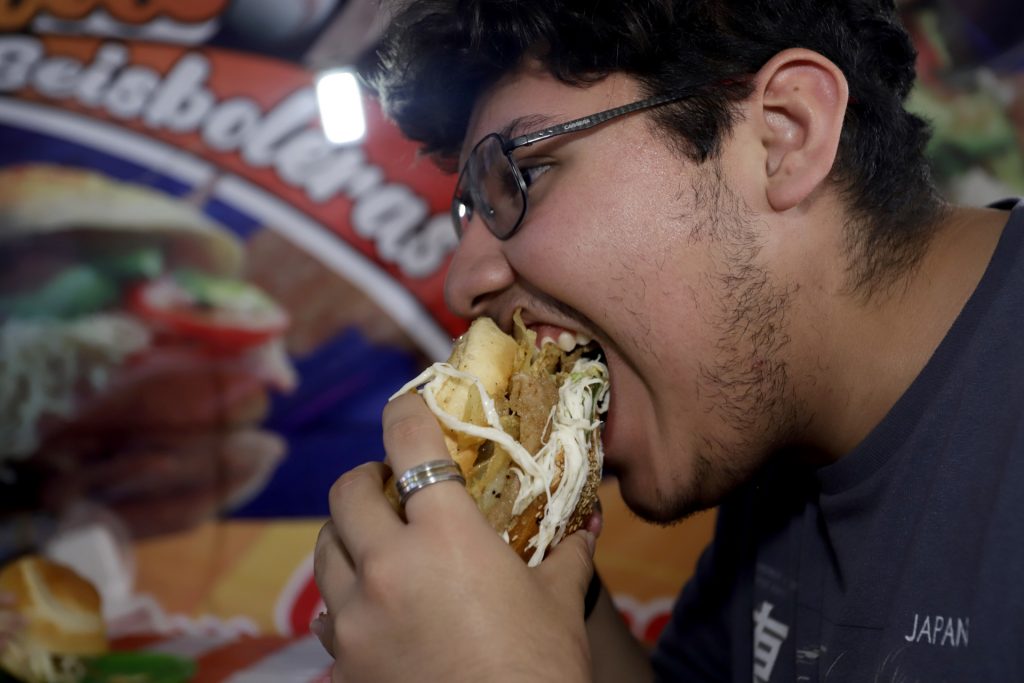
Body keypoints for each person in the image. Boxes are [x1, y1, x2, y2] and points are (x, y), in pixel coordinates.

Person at [312, 0, 1024, 680]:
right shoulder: (769, 410)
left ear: (785, 132)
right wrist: (505, 579)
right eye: (470, 209)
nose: (463, 280)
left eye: (524, 173)